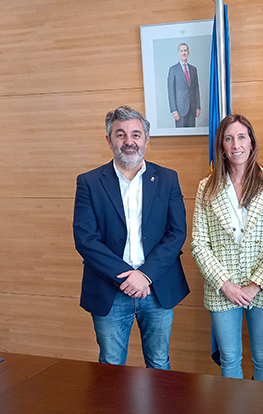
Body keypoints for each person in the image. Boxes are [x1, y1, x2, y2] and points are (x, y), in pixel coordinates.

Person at [73, 106, 189, 369]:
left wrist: (144, 275)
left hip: (157, 287)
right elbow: (86, 240)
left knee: (159, 363)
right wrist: (128, 278)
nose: (129, 142)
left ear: (146, 140)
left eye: (136, 134)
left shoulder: (167, 179)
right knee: (111, 365)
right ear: (109, 140)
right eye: (121, 134)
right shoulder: (89, 182)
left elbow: (177, 233)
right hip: (110, 290)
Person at [190, 114, 263, 382]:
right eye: (228, 139)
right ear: (221, 146)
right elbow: (199, 243)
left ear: (252, 142)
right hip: (223, 289)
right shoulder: (206, 188)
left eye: (241, 137)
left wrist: (255, 284)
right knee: (230, 358)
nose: (236, 145)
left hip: (262, 288)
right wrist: (225, 284)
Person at [167, 43, 201, 128]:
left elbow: (196, 89)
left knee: (192, 135)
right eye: (181, 51)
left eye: (185, 50)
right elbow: (171, 91)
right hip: (180, 110)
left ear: (188, 52)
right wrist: (174, 110)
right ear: (178, 53)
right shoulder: (173, 70)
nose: (183, 53)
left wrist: (197, 107)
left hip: (192, 109)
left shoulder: (193, 69)